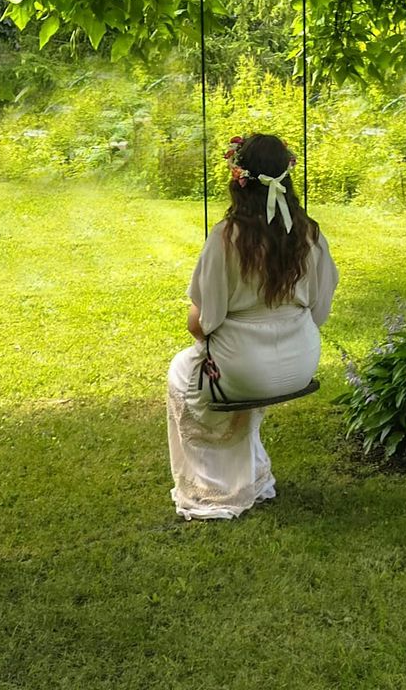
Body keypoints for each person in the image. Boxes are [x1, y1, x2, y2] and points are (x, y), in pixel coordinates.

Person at [166, 131, 338, 520]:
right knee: (224, 370)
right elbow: (320, 307)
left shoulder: (227, 238)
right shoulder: (308, 233)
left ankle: (213, 488)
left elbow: (203, 323)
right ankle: (250, 474)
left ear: (238, 179)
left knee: (183, 373)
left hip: (245, 369)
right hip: (300, 362)